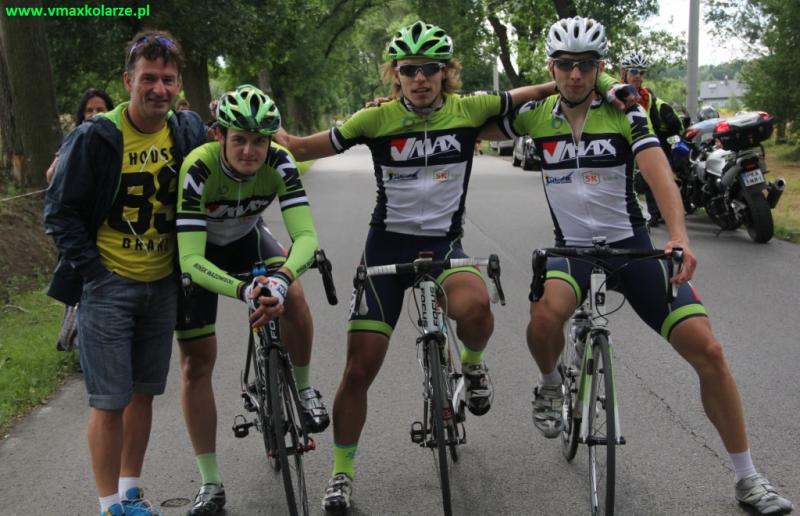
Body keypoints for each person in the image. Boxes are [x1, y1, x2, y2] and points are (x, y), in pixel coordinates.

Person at [275, 20, 622, 513]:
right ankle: (341, 473)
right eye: (409, 70)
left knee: (476, 306)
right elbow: (304, 147)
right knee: (358, 370)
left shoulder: (469, 110)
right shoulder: (375, 119)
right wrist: (270, 135)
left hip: (443, 245)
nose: (420, 78)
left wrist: (609, 85)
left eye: (430, 69)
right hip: (386, 247)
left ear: (446, 72)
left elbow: (544, 87)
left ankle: (473, 367)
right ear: (395, 74)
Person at [488, 16, 793, 515]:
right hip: (573, 249)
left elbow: (658, 174)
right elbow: (464, 121)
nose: (575, 74)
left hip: (631, 246)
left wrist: (678, 236)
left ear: (599, 67)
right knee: (543, 317)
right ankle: (550, 384)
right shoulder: (535, 116)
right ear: (551, 66)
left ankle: (748, 477)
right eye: (565, 64)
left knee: (709, 350)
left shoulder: (626, 113)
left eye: (586, 64)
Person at [44, 31, 206, 516]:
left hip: (162, 283)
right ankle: (109, 505)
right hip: (109, 285)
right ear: (127, 81)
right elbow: (60, 212)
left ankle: (130, 491)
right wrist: (94, 274)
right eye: (148, 78)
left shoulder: (186, 130)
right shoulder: (96, 136)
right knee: (109, 400)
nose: (159, 89)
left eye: (168, 80)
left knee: (143, 394)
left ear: (179, 84)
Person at [175, 84, 328, 516]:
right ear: (219, 136)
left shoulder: (280, 161)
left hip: (247, 238)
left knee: (293, 294)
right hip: (202, 251)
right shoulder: (198, 167)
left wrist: (279, 279)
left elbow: (306, 237)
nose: (249, 150)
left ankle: (304, 389)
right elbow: (189, 259)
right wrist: (243, 290)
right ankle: (210, 482)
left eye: (259, 141)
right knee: (195, 363)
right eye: (239, 139)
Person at [619, 51, 684, 227]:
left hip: (640, 142)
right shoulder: (614, 92)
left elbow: (658, 120)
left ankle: (654, 216)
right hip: (619, 143)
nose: (638, 76)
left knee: (650, 178)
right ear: (624, 72)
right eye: (634, 71)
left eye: (642, 72)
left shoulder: (647, 97)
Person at [46, 88, 115, 183]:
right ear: (83, 115)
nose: (94, 114)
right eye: (89, 110)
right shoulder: (73, 139)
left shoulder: (119, 138)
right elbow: (51, 175)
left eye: (100, 110)